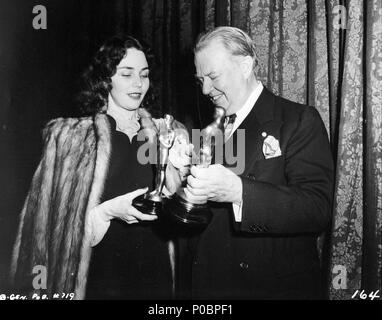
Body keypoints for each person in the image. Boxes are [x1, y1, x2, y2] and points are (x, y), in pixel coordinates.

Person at [9, 35, 187, 300]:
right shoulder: (70, 137)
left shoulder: (167, 133)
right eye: (127, 74)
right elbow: (45, 234)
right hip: (99, 277)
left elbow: (186, 214)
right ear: (106, 79)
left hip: (155, 272)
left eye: (144, 74)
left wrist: (182, 174)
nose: (139, 84)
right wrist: (107, 213)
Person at [180, 26, 334, 299]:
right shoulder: (209, 130)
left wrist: (239, 192)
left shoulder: (298, 120)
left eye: (213, 76)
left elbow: (317, 208)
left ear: (246, 65)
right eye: (200, 79)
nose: (205, 89)